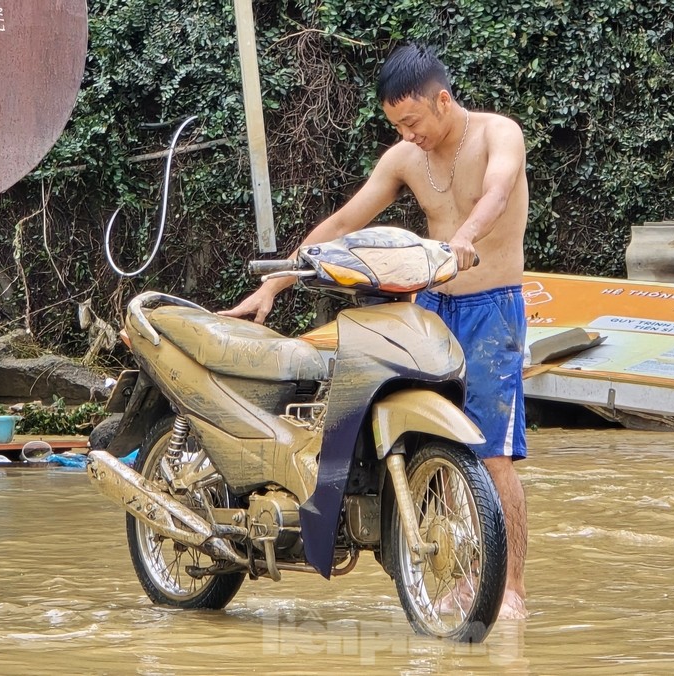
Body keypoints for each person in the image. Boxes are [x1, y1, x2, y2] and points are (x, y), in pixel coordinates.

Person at [220, 43, 529, 620]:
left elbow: (499, 191)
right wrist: (276, 284)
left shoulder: (497, 134)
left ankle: (510, 588)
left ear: (442, 100)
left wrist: (466, 236)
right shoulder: (404, 159)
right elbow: (340, 224)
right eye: (396, 126)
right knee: (422, 444)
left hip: (492, 310)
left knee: (493, 457)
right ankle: (451, 572)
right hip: (431, 308)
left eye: (412, 122)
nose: (407, 135)